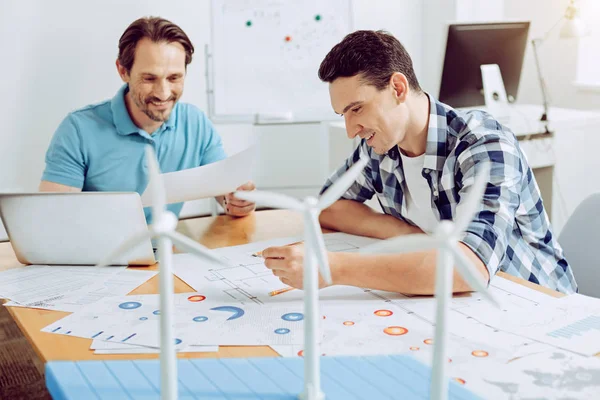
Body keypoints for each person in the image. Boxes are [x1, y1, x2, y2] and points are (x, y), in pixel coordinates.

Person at [261, 30, 577, 295]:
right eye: (343, 115)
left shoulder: (483, 144)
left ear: (398, 88)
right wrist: (405, 235)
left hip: (535, 302)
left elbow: (468, 269)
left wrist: (332, 268)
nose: (349, 130)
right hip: (459, 303)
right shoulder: (379, 145)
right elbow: (328, 207)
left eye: (356, 109)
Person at [40, 17, 255, 220]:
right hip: (101, 255)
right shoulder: (78, 130)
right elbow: (53, 217)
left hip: (164, 251)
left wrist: (236, 201)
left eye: (174, 78)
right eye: (150, 78)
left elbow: (224, 191)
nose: (163, 93)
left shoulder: (195, 123)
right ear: (123, 71)